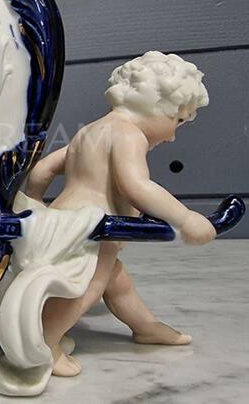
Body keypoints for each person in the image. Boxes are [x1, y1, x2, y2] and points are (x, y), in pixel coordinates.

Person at [24, 51, 216, 377]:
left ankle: (146, 327)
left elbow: (43, 170)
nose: (172, 136)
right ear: (157, 104)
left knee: (117, 281)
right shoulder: (129, 134)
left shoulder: (89, 131)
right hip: (96, 228)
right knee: (89, 286)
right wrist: (185, 219)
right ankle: (45, 343)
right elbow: (136, 185)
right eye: (178, 120)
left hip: (69, 218)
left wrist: (35, 204)